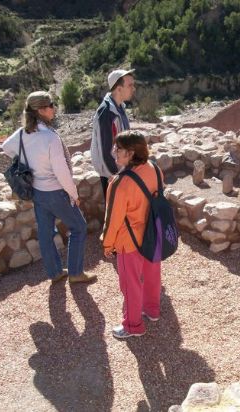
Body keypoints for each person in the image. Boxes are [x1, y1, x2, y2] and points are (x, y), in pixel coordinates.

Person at [2, 91, 94, 283]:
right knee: (79, 227)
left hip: (37, 192)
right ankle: (76, 273)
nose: (54, 108)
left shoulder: (22, 134)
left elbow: (6, 147)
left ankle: (55, 273)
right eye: (52, 105)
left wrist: (28, 160)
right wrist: (73, 194)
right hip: (55, 191)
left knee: (46, 234)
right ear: (42, 110)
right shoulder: (50, 138)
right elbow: (61, 172)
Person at [101, 131, 162, 338]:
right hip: (153, 234)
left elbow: (113, 220)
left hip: (130, 241)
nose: (113, 152)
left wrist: (108, 244)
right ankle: (152, 311)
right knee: (153, 274)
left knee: (131, 283)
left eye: (118, 149)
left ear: (131, 153)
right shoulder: (154, 168)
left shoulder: (120, 182)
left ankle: (133, 326)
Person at [91, 68, 136, 201]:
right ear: (118, 88)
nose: (133, 88)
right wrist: (116, 176)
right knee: (114, 213)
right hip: (113, 174)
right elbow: (106, 151)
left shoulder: (119, 107)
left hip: (123, 169)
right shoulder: (106, 113)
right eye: (130, 85)